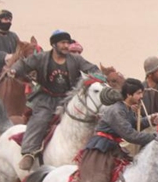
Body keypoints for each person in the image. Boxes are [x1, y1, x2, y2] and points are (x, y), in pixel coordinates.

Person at [71, 79, 158, 182]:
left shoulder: (126, 108)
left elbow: (133, 123)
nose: (141, 96)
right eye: (139, 93)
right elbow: (130, 134)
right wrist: (156, 137)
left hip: (114, 148)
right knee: (98, 181)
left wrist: (150, 119)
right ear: (129, 94)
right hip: (100, 149)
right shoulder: (116, 111)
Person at [12, 30, 100, 171]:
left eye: (67, 43)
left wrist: (98, 76)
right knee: (40, 120)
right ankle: (29, 152)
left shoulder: (76, 59)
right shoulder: (41, 58)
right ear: (54, 44)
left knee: (91, 119)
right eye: (63, 43)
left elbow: (91, 68)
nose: (66, 46)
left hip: (68, 98)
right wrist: (14, 70)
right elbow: (23, 64)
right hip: (46, 99)